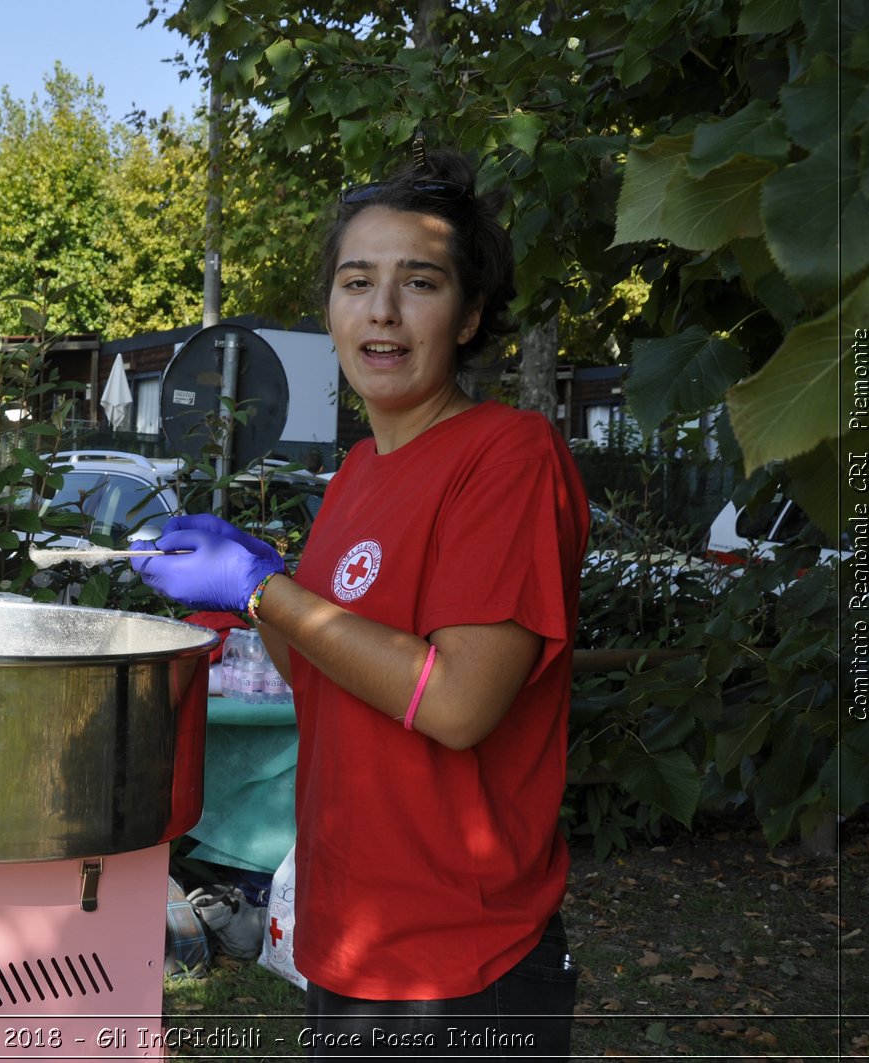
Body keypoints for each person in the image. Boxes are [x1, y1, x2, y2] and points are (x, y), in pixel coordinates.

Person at [133, 150, 589, 1060]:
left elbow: (458, 704)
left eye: (418, 283)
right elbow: (329, 679)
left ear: (469, 316)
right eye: (356, 282)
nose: (381, 310)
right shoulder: (355, 476)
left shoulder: (509, 455)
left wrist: (266, 587)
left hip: (461, 958)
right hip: (354, 934)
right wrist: (258, 601)